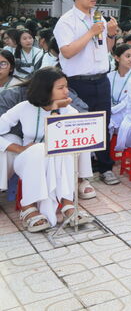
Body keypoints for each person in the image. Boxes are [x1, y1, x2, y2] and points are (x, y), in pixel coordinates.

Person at [53, 0, 120, 185]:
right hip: (77, 82)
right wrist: (91, 32)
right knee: (79, 126)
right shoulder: (66, 22)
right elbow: (67, 52)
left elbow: (106, 50)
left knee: (103, 124)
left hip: (101, 79)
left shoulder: (98, 18)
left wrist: (110, 34)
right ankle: (80, 174)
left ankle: (105, 167)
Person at [0, 68, 88, 231]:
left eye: (66, 86)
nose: (66, 91)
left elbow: (66, 138)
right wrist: (18, 148)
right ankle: (28, 207)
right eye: (60, 88)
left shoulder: (68, 110)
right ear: (46, 89)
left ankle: (68, 205)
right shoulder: (24, 107)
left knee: (63, 149)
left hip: (55, 159)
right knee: (40, 149)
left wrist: (55, 109)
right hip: (27, 160)